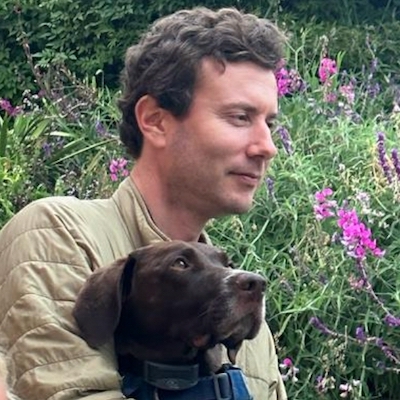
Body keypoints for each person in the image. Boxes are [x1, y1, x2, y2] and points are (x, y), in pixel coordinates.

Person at [0, 6, 287, 400]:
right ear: (155, 120)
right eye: (240, 117)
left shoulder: (241, 298)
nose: (267, 147)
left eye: (269, 124)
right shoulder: (59, 233)